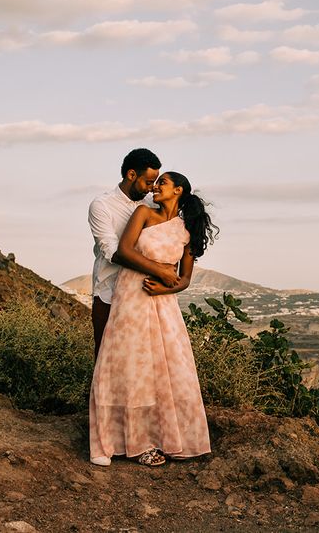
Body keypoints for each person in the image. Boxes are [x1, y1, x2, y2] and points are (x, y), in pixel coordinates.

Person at [89, 171, 218, 467]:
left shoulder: (186, 230)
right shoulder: (144, 213)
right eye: (155, 182)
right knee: (127, 364)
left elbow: (184, 278)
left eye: (164, 183)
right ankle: (116, 443)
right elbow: (123, 250)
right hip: (131, 296)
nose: (156, 187)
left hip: (163, 302)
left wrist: (166, 286)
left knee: (168, 368)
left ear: (179, 191)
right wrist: (160, 271)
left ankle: (163, 438)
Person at [87, 148, 179, 360]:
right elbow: (113, 253)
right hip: (109, 292)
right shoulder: (102, 206)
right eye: (148, 182)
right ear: (131, 175)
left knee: (141, 356)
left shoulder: (152, 204)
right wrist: (159, 270)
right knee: (106, 356)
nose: (151, 188)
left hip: (142, 293)